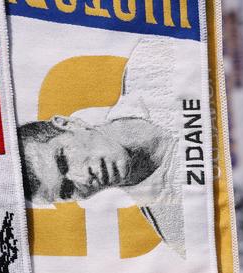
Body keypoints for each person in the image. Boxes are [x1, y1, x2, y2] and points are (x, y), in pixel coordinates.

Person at [18, 40, 184, 253]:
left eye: (63, 161)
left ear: (67, 124)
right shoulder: (177, 227)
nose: (83, 178)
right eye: (67, 190)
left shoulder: (152, 64)